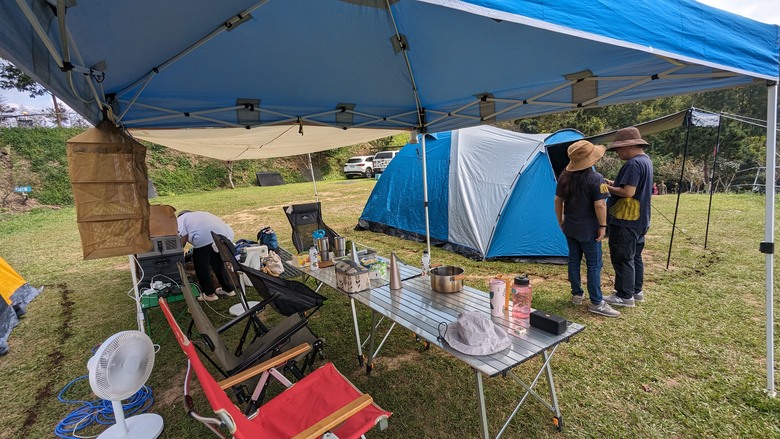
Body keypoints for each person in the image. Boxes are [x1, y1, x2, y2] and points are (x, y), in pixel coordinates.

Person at [554, 140, 620, 317]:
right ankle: (597, 302)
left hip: (570, 227)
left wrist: (560, 220)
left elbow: (557, 200)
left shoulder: (564, 177)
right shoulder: (596, 179)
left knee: (574, 260)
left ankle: (577, 294)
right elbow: (600, 205)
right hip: (589, 229)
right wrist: (603, 226)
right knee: (594, 264)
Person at [602, 127, 653, 307]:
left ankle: (624, 296)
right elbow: (631, 185)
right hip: (640, 220)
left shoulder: (632, 164)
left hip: (626, 220)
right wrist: (612, 182)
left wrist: (606, 188)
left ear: (629, 146)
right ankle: (636, 291)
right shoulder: (645, 161)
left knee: (622, 257)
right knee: (635, 256)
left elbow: (628, 192)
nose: (617, 153)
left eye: (618, 149)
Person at [177, 210, 236, 302]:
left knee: (201, 267)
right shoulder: (200, 214)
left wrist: (178, 251)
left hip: (204, 238)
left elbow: (183, 238)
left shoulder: (180, 219)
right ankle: (228, 289)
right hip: (224, 236)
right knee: (218, 264)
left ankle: (209, 294)